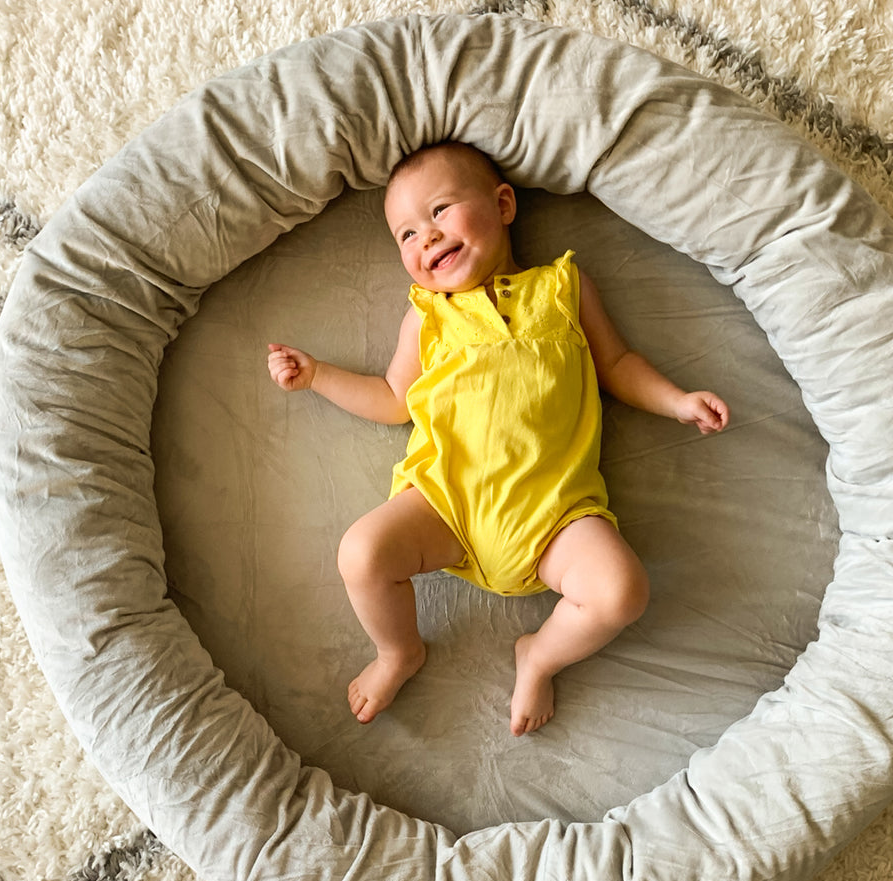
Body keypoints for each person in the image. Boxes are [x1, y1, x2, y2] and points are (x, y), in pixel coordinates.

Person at [267, 141, 729, 736]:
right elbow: (393, 398)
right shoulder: (428, 315)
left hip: (555, 513)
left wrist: (677, 401)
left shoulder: (563, 288)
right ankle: (398, 652)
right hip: (446, 503)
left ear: (503, 203)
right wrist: (318, 376)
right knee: (361, 553)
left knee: (622, 591)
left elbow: (615, 363)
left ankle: (539, 654)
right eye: (405, 235)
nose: (425, 238)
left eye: (439, 211)